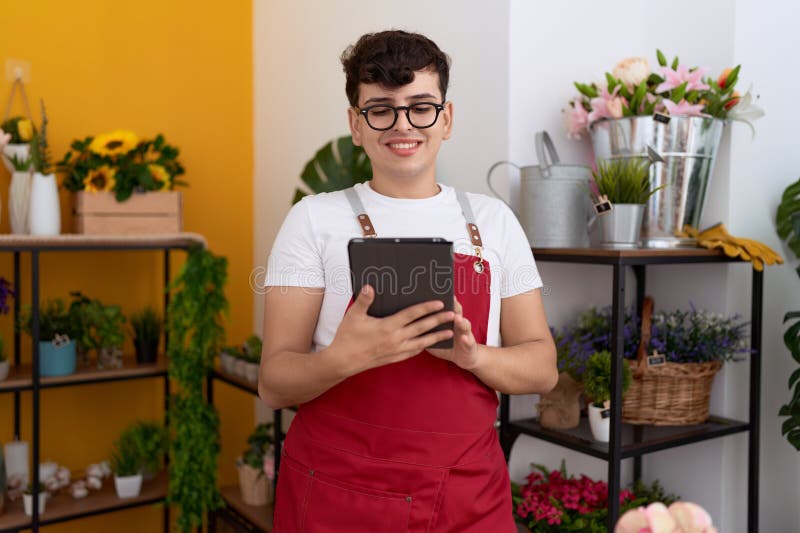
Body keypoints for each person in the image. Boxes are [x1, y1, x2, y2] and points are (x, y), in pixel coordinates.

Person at [259, 29, 557, 532]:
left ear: (447, 118)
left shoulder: (492, 222)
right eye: (381, 109)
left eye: (421, 106)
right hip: (339, 494)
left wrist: (474, 356)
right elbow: (273, 382)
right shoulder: (314, 220)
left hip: (468, 493)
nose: (403, 125)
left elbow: (543, 368)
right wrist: (345, 357)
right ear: (356, 123)